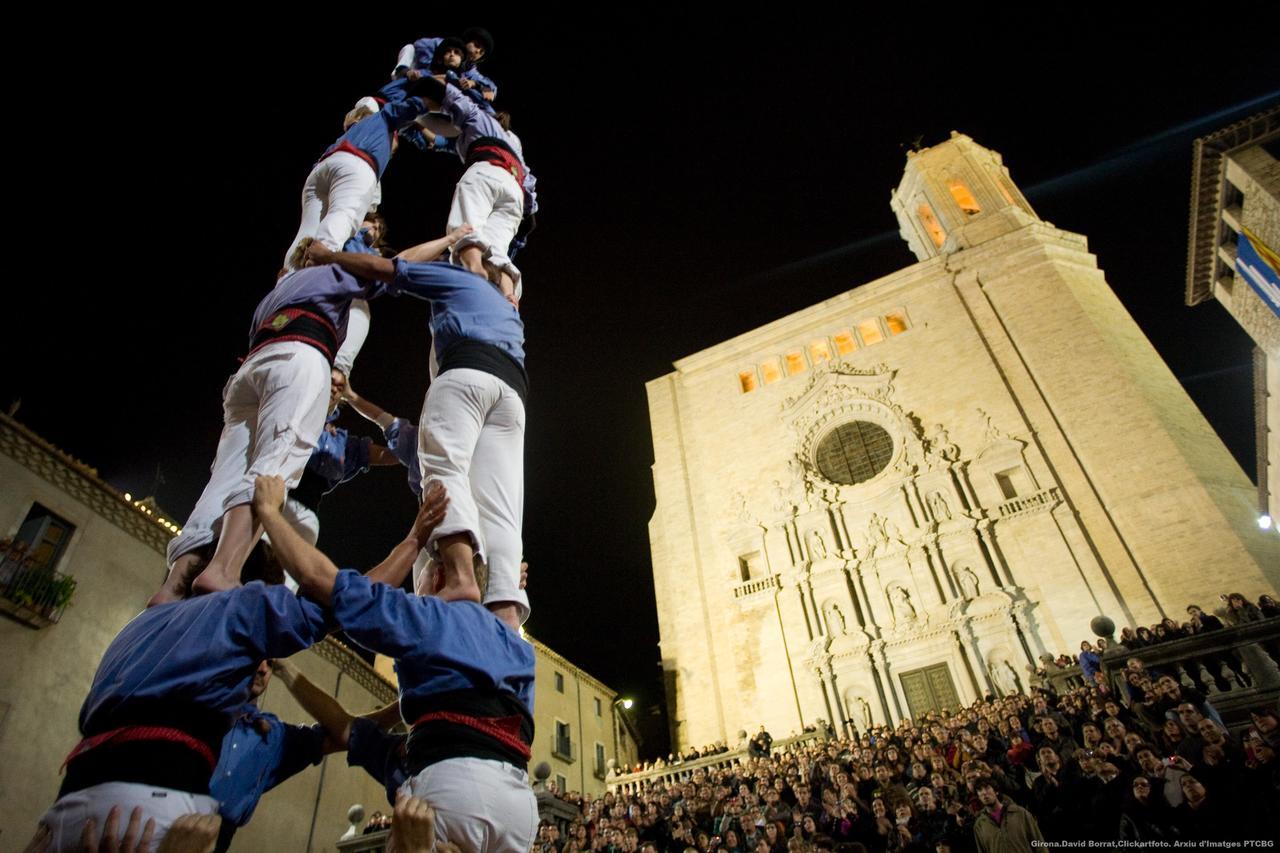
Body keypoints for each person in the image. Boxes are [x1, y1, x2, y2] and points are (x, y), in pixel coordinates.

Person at [156, 228, 468, 604]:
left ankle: (174, 583)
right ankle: (223, 569)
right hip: (298, 358)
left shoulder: (281, 289)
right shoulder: (337, 272)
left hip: (251, 367)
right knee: (275, 463)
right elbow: (398, 265)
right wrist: (450, 239)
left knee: (222, 477)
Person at [251, 474, 539, 852]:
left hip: (452, 791)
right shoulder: (514, 649)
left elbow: (321, 579)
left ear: (437, 576)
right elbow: (345, 727)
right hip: (520, 811)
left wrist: (270, 514)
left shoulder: (429, 618)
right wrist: (288, 670)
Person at [37, 554, 330, 851]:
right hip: (155, 817)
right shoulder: (240, 611)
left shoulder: (141, 627)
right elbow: (331, 605)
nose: (261, 665)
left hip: (69, 806)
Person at [307, 240, 528, 624]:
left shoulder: (456, 277)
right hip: (512, 391)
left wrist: (330, 256)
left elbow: (387, 268)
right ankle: (505, 610)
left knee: (443, 469)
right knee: (502, 507)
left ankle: (459, 579)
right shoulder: (507, 309)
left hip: (465, 373)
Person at [280, 76, 435, 271]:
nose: (393, 150)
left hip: (321, 168)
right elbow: (420, 104)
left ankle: (288, 274)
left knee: (307, 229)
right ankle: (317, 265)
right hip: (355, 165)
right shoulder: (384, 119)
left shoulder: (351, 130)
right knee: (343, 215)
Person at [411, 75, 536, 301]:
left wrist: (424, 86)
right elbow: (529, 179)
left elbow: (455, 100)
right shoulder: (514, 140)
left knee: (467, 226)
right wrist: (529, 211)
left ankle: (474, 269)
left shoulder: (478, 116)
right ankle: (508, 292)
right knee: (497, 247)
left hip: (487, 171)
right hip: (515, 190)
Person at [971, 777, 1042, 853]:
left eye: (987, 788)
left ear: (996, 791)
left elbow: (1038, 842)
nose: (984, 793)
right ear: (978, 796)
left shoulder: (1020, 813)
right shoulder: (980, 825)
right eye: (979, 790)